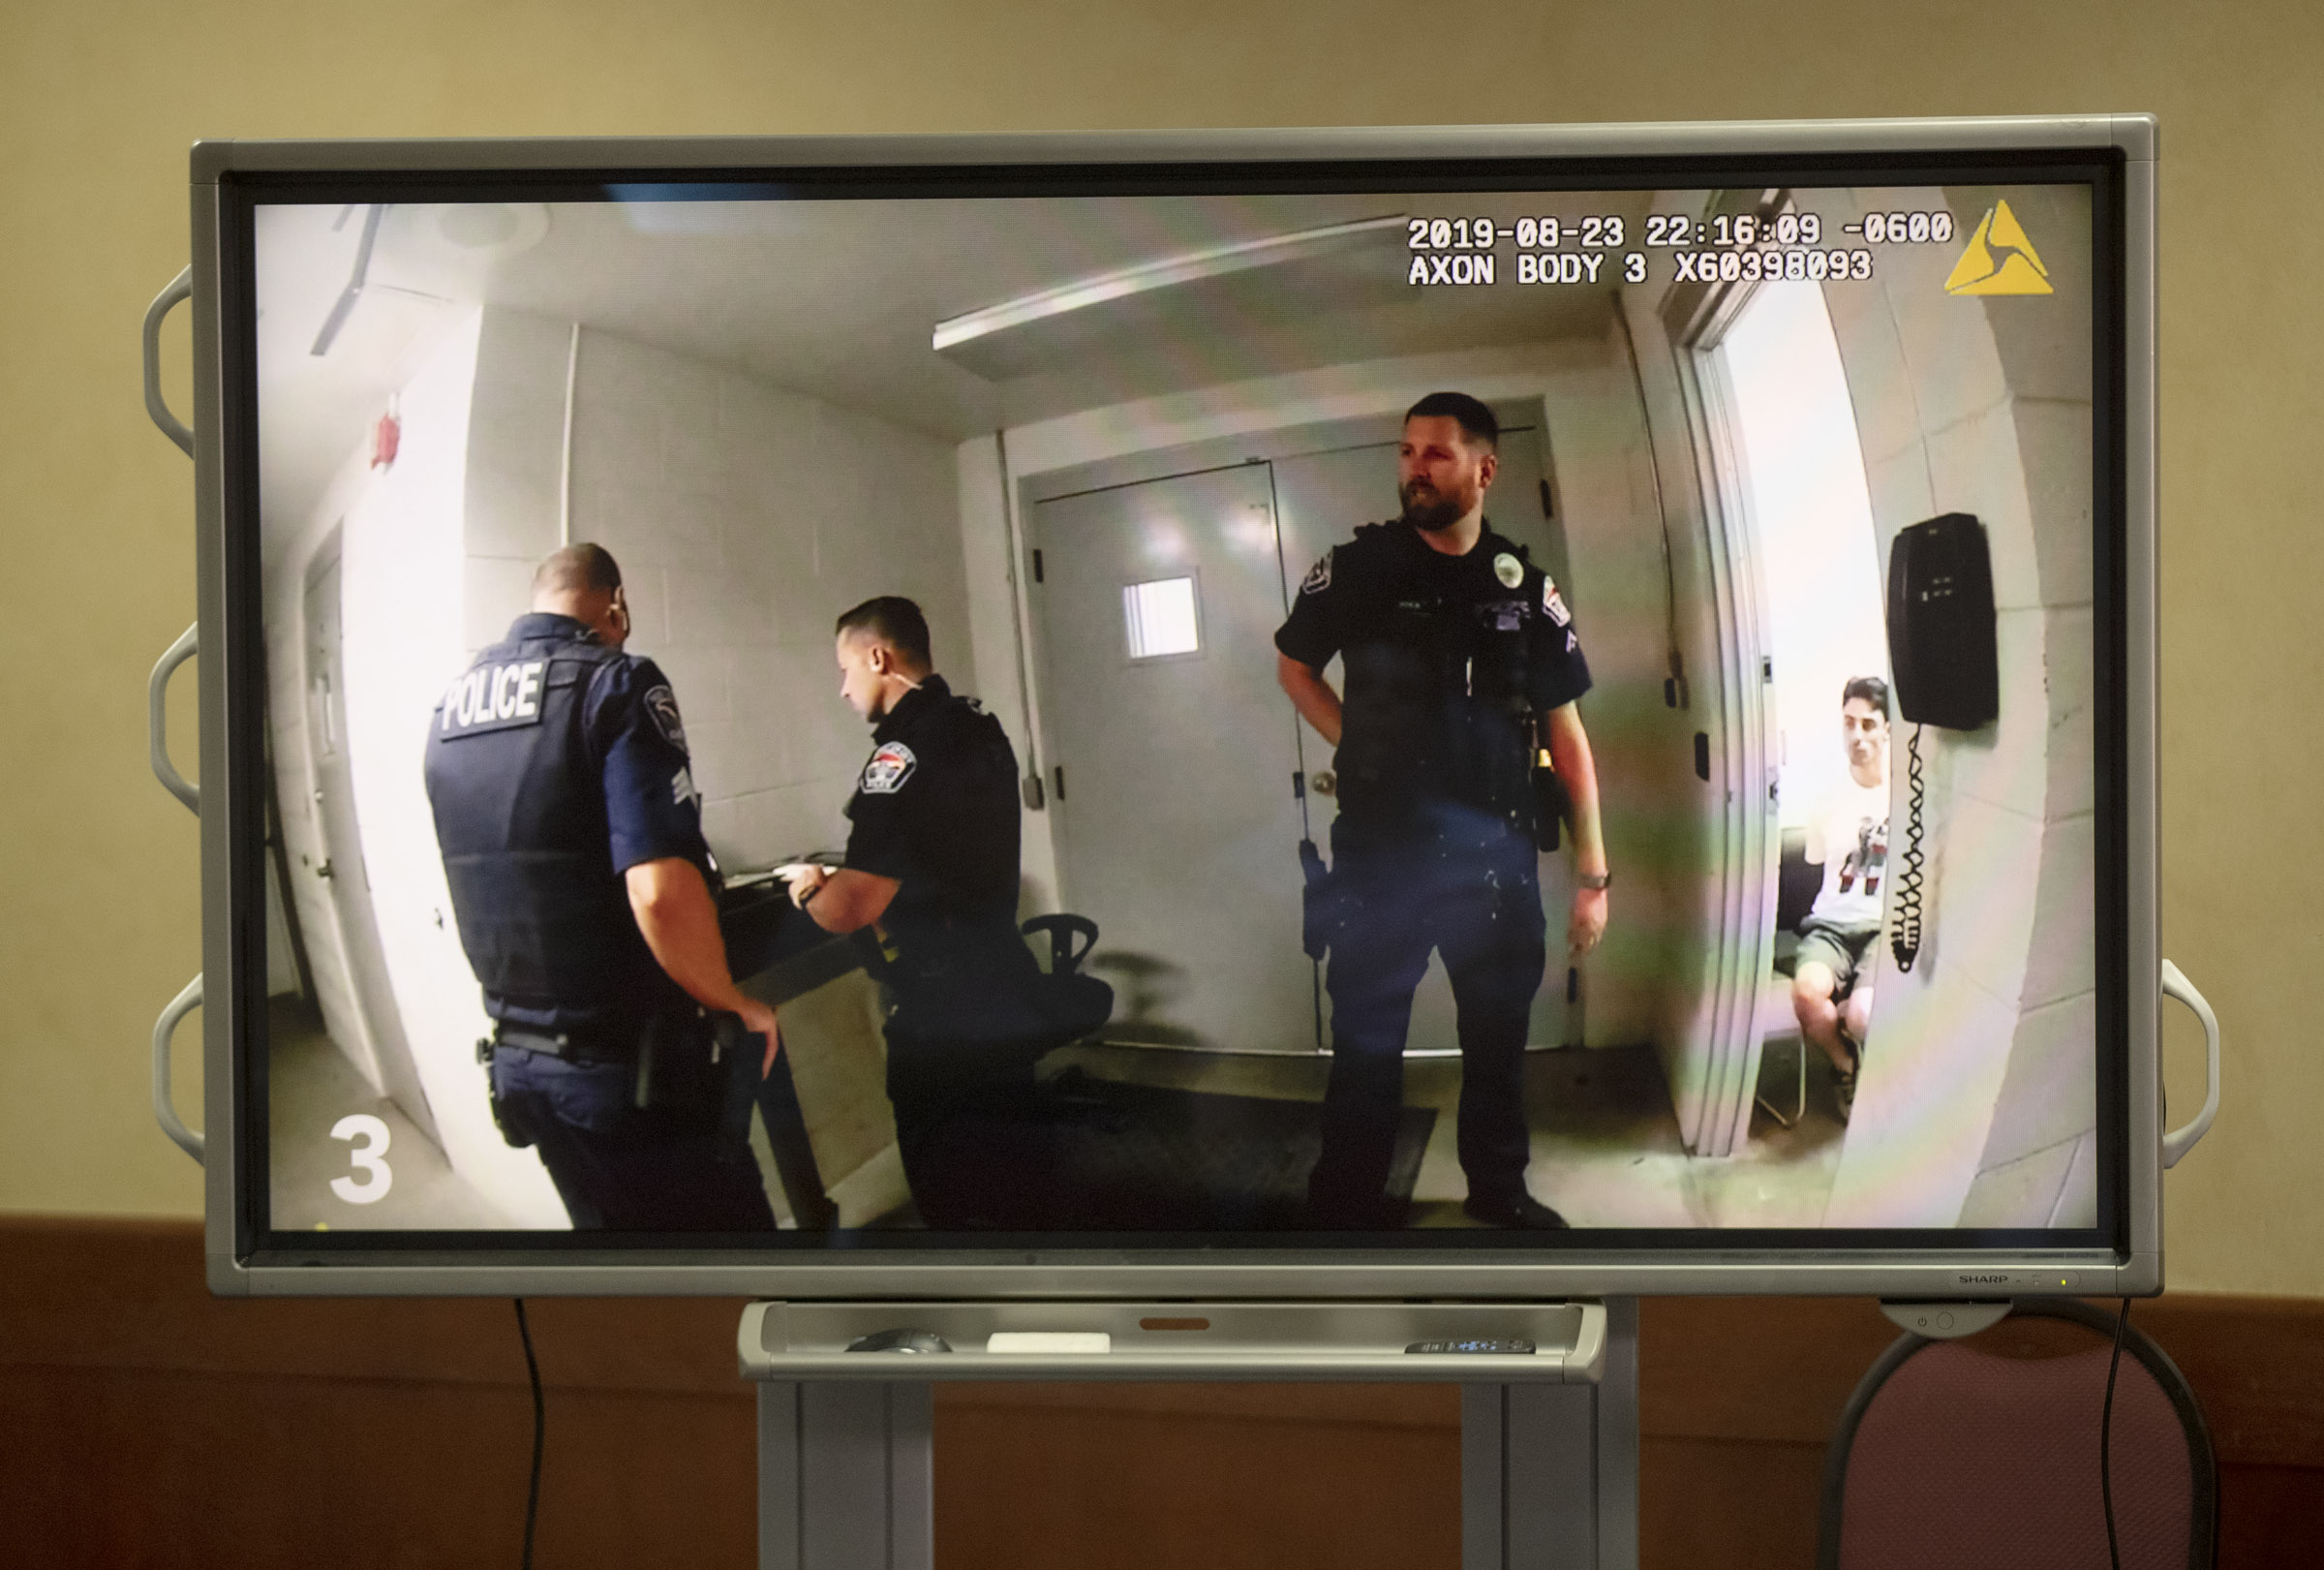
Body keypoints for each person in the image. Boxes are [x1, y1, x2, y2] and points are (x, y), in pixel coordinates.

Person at [1275, 391, 1609, 1231]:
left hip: (1493, 867)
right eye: (1406, 451)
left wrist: (1594, 876)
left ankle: (1498, 1190)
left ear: (1484, 469)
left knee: (1497, 1045)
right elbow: (1294, 666)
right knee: (1366, 1044)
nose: (1413, 469)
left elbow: (1568, 736)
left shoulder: (1525, 588)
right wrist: (1356, 741)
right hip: (1380, 858)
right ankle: (1345, 1202)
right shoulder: (1358, 569)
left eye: (1435, 454)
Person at [424, 542, 779, 1231]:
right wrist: (733, 1002)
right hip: (628, 1073)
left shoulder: (449, 711)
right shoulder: (616, 682)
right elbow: (658, 890)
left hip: (519, 1069)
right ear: (614, 605)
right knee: (736, 1257)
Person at [779, 597, 1056, 1228]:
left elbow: (851, 906)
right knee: (1019, 1175)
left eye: (846, 669)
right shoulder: (977, 725)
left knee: (955, 1189)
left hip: (943, 1013)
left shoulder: (901, 756)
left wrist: (811, 887)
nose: (843, 689)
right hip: (1004, 984)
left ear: (878, 658)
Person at [1790, 675, 1892, 1121]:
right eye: (1849, 724)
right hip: (1831, 926)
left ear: (1888, 729)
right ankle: (1846, 1065)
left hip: (1881, 928)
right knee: (1807, 995)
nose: (1857, 736)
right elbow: (1818, 866)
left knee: (1863, 1017)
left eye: (1868, 725)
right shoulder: (1826, 797)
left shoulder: (1907, 794)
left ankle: (1853, 1017)